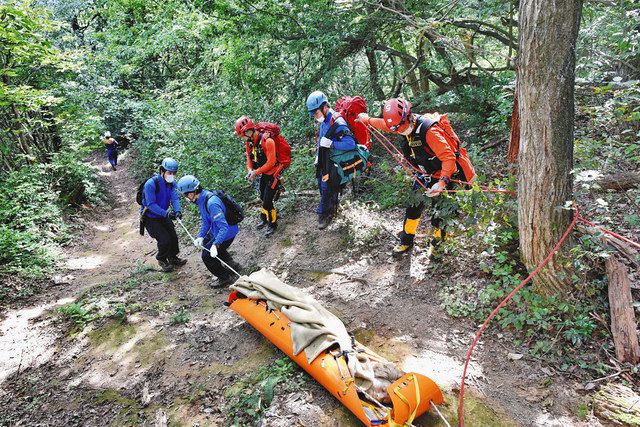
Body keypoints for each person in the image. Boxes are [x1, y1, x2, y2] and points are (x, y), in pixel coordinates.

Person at [357, 98, 476, 258]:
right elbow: (387, 125)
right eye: (396, 129)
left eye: (401, 127)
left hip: (443, 175)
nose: (398, 131)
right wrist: (367, 120)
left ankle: (438, 246)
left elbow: (448, 158)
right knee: (413, 207)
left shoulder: (430, 131)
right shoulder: (401, 125)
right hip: (425, 174)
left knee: (440, 214)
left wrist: (442, 183)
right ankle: (406, 240)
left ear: (409, 116)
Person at [176, 175, 242, 288]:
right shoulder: (202, 199)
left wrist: (216, 244)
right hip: (217, 230)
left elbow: (224, 227)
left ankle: (225, 277)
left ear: (192, 192)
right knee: (207, 244)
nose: (186, 198)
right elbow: (206, 222)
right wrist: (200, 236)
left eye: (186, 195)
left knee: (207, 256)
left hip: (227, 232)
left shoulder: (211, 203)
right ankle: (232, 264)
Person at [306, 90, 358, 230]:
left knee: (327, 187)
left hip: (334, 164)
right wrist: (318, 157)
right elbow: (323, 139)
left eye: (316, 113)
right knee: (323, 187)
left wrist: (332, 144)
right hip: (324, 162)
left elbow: (351, 144)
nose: (315, 116)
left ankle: (325, 215)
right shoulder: (324, 121)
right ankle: (332, 208)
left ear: (324, 107)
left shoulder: (338, 122)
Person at [234, 116, 289, 237]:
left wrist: (256, 172)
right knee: (262, 197)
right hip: (263, 174)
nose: (241, 138)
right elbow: (249, 157)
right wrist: (250, 170)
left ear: (248, 131)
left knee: (268, 201)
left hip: (274, 174)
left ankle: (272, 224)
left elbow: (271, 162)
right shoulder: (250, 143)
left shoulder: (267, 141)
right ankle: (264, 218)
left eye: (242, 135)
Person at [140, 158, 187, 272]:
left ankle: (172, 257)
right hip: (151, 217)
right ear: (162, 171)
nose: (172, 175)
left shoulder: (171, 184)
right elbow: (150, 204)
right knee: (164, 239)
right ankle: (161, 259)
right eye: (169, 173)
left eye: (174, 173)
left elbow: (175, 198)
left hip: (163, 215)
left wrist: (177, 211)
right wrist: (166, 213)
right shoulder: (151, 184)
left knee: (173, 237)